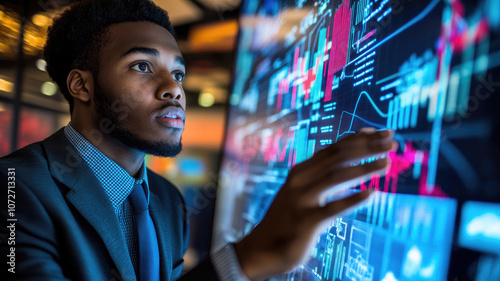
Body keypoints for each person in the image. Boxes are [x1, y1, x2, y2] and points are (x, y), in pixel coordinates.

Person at [0, 0, 397, 280]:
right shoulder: (14, 186)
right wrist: (243, 261)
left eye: (178, 73)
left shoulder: (168, 201)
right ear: (81, 86)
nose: (173, 88)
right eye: (142, 66)